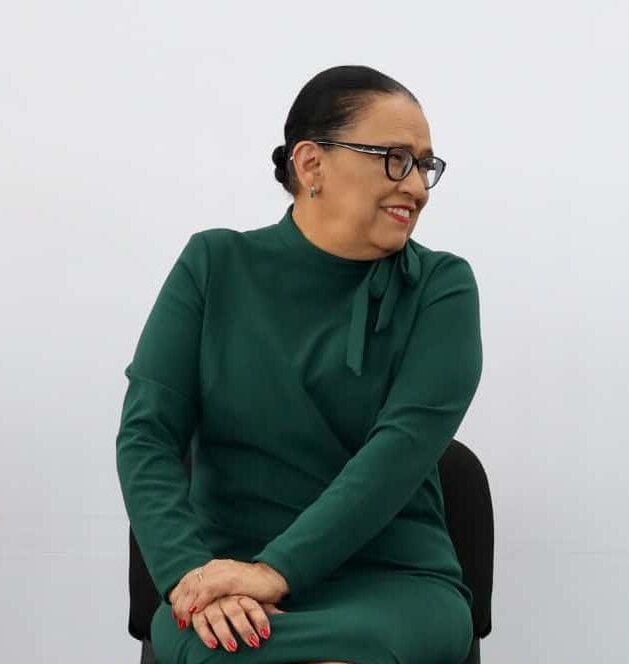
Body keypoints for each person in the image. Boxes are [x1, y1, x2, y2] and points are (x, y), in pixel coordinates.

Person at [116, 65, 480, 664]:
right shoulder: (213, 265)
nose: (415, 185)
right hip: (227, 580)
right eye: (394, 158)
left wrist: (277, 570)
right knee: (225, 649)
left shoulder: (442, 287)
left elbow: (401, 450)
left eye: (424, 165)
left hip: (392, 581)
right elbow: (147, 435)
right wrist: (190, 578)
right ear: (311, 165)